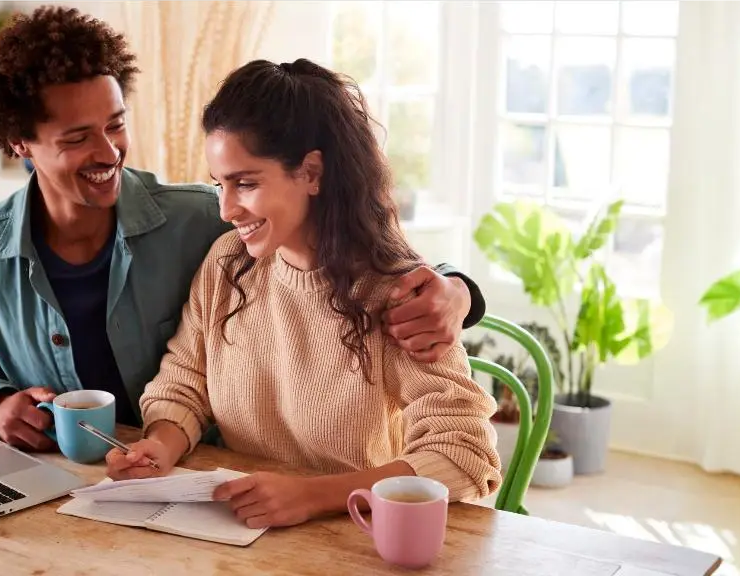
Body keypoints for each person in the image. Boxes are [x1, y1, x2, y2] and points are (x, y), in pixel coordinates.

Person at [0, 6, 487, 452]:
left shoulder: (203, 217)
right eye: (76, 138)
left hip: (193, 477)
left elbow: (350, 241)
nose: (109, 152)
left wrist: (457, 289)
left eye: (116, 124)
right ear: (22, 144)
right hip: (67, 477)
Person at [103, 59, 501, 529]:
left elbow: (464, 451)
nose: (227, 208)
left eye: (246, 183)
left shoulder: (398, 292)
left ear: (311, 172)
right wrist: (161, 444)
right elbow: (185, 379)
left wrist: (313, 496)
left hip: (356, 535)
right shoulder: (229, 262)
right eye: (220, 185)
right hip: (245, 528)